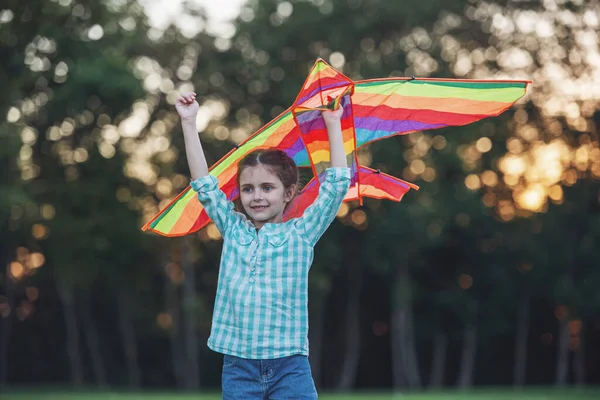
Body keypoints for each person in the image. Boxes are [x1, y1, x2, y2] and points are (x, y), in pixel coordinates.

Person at [175, 92, 350, 399]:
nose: (256, 196)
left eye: (267, 188)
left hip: (289, 365)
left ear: (288, 192)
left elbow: (335, 188)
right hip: (238, 367)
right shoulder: (232, 228)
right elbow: (204, 186)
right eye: (248, 189)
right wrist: (189, 123)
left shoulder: (302, 233)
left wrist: (332, 123)